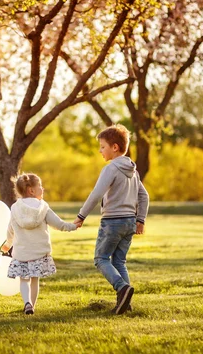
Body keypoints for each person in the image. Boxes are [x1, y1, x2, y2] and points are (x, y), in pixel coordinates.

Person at [74, 124, 149, 315]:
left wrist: (81, 215)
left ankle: (121, 288)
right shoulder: (133, 171)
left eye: (102, 146)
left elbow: (96, 193)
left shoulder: (111, 169)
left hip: (113, 222)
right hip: (129, 222)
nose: (100, 150)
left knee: (100, 259)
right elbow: (144, 196)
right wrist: (140, 220)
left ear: (114, 147)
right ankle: (125, 303)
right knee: (119, 262)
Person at [2, 173, 77, 315]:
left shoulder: (15, 208)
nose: (42, 189)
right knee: (34, 279)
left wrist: (8, 244)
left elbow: (10, 229)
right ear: (31, 190)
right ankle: (33, 306)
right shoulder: (43, 208)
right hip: (38, 252)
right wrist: (73, 226)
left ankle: (27, 303)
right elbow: (59, 225)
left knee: (24, 280)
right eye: (40, 186)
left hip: (22, 253)